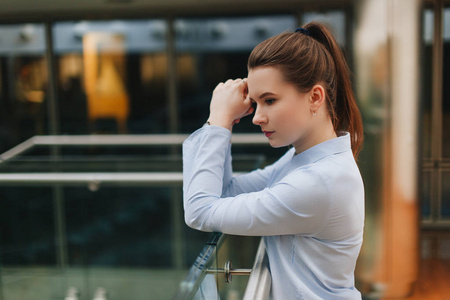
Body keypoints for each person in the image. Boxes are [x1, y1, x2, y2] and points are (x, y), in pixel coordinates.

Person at [183, 22, 365, 299]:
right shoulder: (304, 159)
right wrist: (225, 121)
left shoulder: (319, 182)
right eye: (255, 103)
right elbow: (225, 193)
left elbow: (200, 211)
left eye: (270, 100)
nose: (256, 117)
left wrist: (218, 122)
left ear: (315, 97)